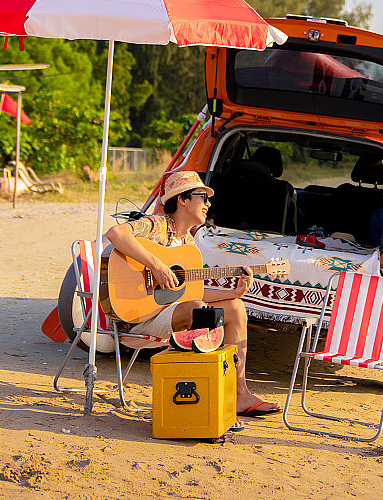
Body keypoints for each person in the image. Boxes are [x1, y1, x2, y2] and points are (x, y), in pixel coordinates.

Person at [105, 171, 281, 419]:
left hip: (172, 313)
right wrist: (156, 265)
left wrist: (233, 291)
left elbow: (192, 292)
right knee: (198, 309)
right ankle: (199, 399)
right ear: (182, 200)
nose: (208, 203)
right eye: (202, 197)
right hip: (135, 316)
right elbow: (115, 234)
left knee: (235, 307)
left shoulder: (189, 243)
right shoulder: (155, 225)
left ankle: (239, 394)